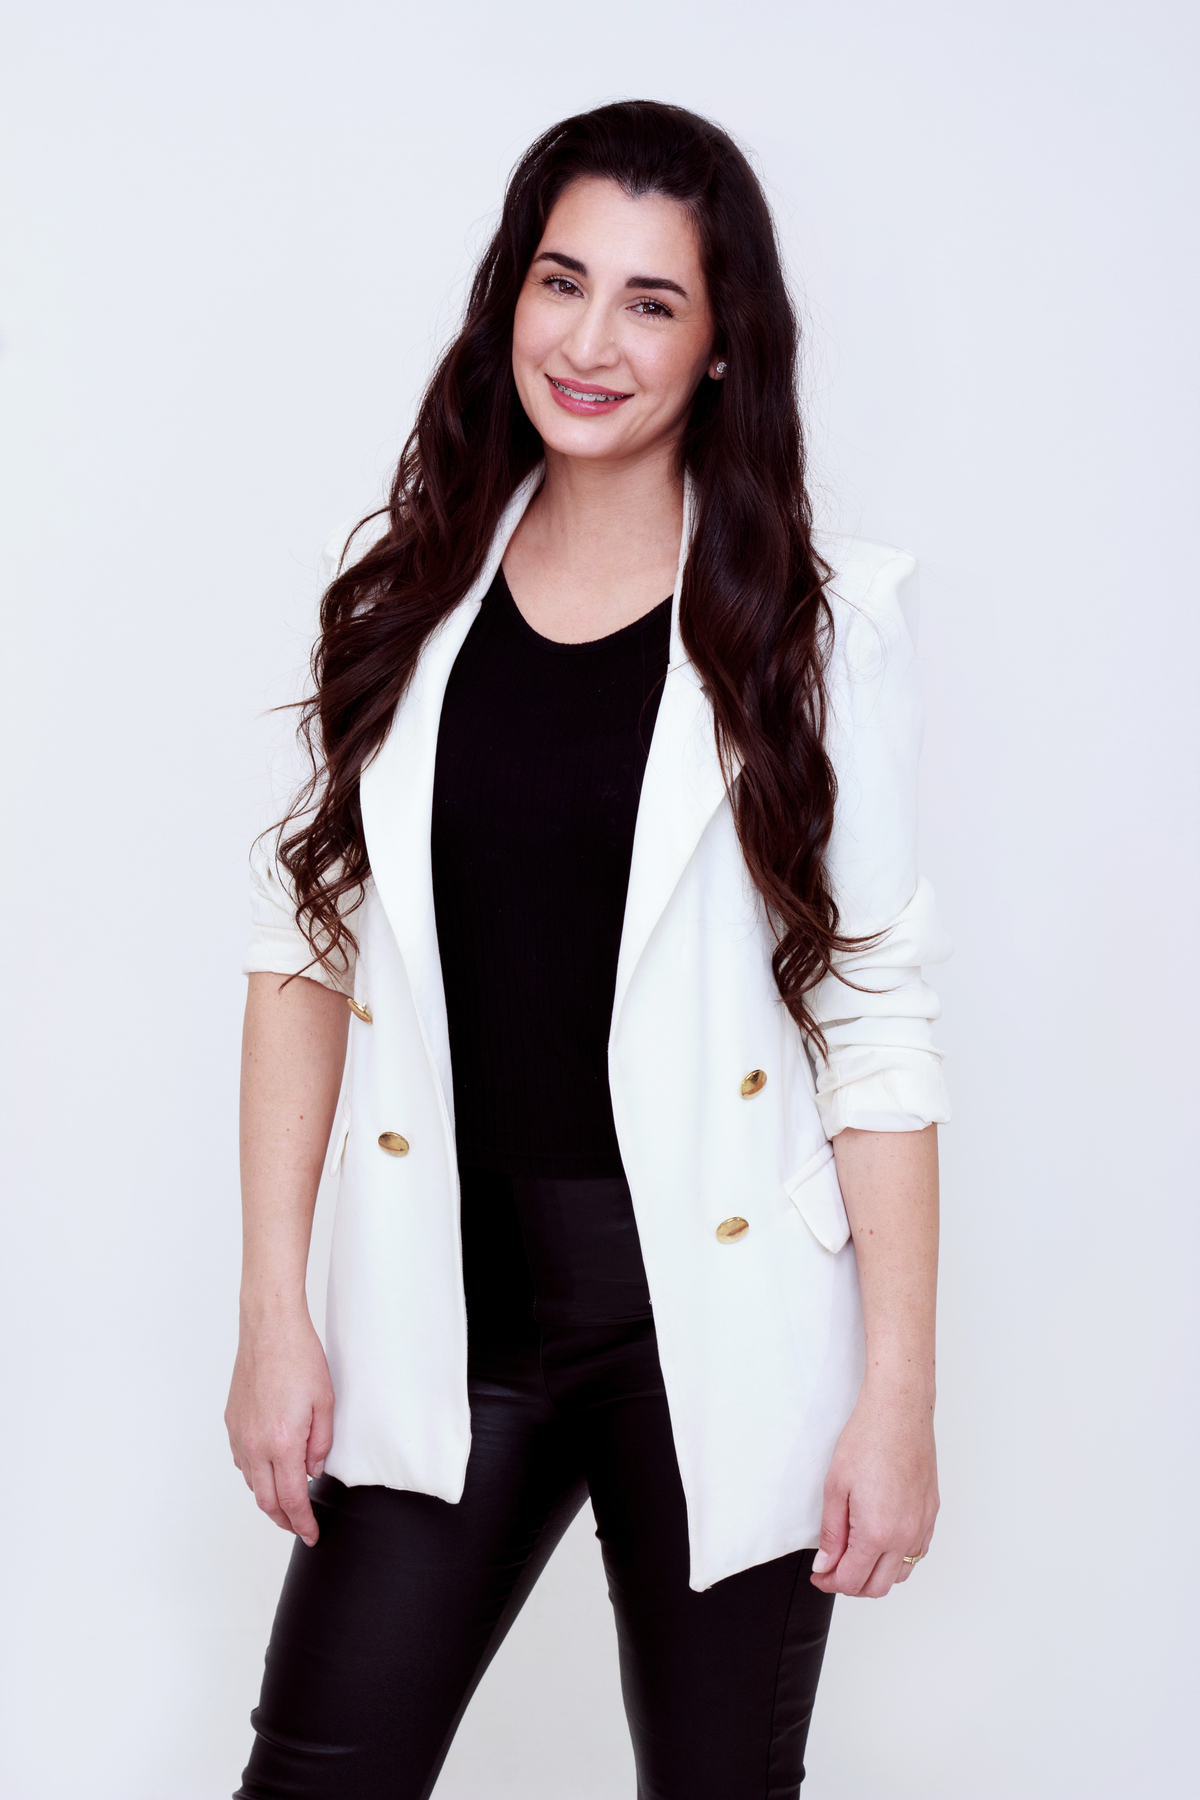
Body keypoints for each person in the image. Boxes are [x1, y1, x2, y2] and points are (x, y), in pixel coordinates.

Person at [226, 99, 950, 1800]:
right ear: (511, 294)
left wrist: (898, 1397)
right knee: (317, 1774)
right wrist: (274, 1309)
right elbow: (302, 945)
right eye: (562, 282)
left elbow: (874, 1013)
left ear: (719, 347)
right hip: (449, 1299)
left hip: (711, 1312)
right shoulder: (398, 588)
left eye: (650, 301)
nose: (590, 341)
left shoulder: (816, 625)